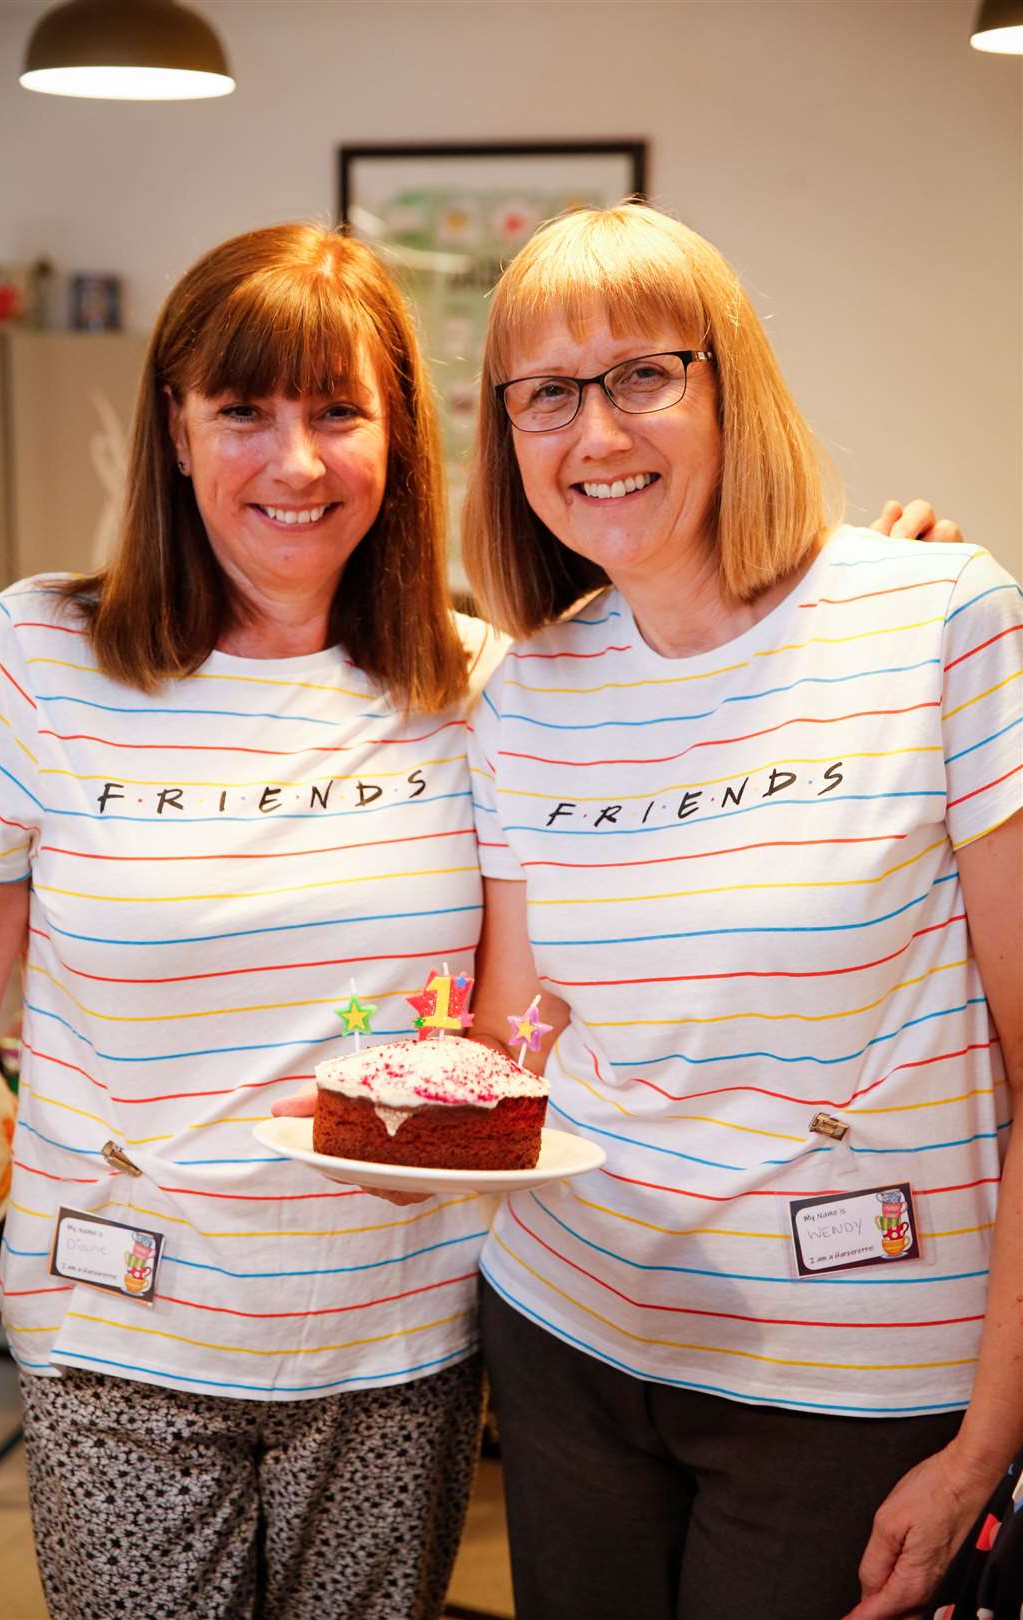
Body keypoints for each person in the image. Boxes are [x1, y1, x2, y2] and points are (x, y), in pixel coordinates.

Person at [458, 204, 1022, 1620]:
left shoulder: (937, 618)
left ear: (732, 381)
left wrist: (994, 1435)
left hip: (850, 1374)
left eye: (645, 373)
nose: (596, 434)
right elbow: (518, 1037)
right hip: (569, 1333)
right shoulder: (527, 694)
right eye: (548, 394)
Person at [0, 222, 504, 1620]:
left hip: (398, 1336)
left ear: (399, 437)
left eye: (337, 411)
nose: (295, 461)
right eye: (244, 410)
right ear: (176, 429)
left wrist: (881, 585)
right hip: (117, 1331)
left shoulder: (484, 689)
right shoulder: (43, 655)